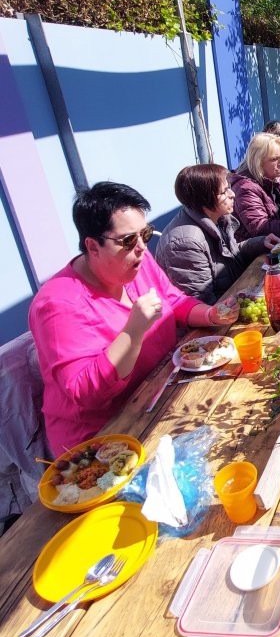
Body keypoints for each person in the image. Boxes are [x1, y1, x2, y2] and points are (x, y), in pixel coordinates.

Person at [29, 182, 238, 456]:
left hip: (159, 395)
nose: (141, 247)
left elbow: (172, 300)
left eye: (145, 234)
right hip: (102, 441)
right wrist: (132, 332)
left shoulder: (137, 261)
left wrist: (210, 314)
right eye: (128, 240)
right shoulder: (58, 304)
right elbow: (85, 393)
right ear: (92, 246)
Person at [157, 163, 280, 304]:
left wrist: (260, 242)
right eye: (224, 191)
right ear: (205, 198)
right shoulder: (185, 243)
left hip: (232, 297)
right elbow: (201, 303)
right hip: (220, 310)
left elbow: (230, 254)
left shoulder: (217, 217)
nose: (232, 194)